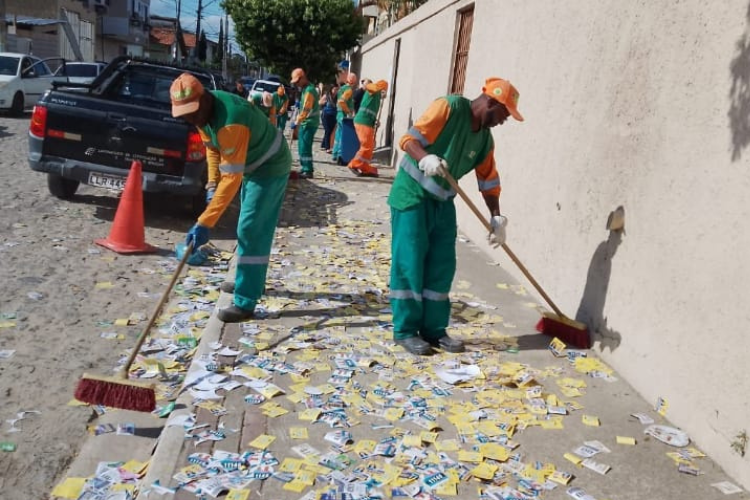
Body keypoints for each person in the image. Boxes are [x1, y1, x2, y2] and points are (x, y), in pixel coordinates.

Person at [387, 77, 523, 355]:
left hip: (442, 202)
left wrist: (496, 217)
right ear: (490, 102)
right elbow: (409, 139)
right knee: (409, 264)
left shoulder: (484, 140)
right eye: (503, 115)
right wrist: (425, 157)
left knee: (441, 266)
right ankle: (405, 330)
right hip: (411, 197)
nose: (502, 122)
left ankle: (434, 330)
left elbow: (488, 180)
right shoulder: (448, 107)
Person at [170, 72, 292, 323]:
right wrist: (211, 183)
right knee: (248, 227)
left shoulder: (230, 121)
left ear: (204, 99)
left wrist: (205, 222)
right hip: (252, 164)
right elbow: (212, 150)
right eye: (186, 115)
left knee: (251, 229)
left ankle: (245, 301)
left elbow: (232, 179)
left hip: (269, 166)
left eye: (193, 112)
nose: (192, 119)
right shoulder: (204, 116)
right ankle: (246, 283)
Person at [348, 79, 388, 177]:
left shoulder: (376, 97)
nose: (385, 93)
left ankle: (364, 167)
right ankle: (354, 164)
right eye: (385, 90)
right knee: (366, 146)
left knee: (370, 147)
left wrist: (375, 121)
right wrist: (378, 88)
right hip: (362, 121)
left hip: (367, 122)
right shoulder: (372, 90)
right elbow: (369, 86)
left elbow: (371, 111)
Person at [289, 68, 320, 179]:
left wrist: (296, 121)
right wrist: (298, 104)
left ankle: (308, 170)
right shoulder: (306, 89)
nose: (296, 84)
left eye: (297, 81)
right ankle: (305, 168)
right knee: (302, 146)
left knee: (305, 147)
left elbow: (306, 109)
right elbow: (304, 105)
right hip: (306, 122)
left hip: (309, 123)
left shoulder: (309, 91)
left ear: (302, 78)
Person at [332, 72, 356, 163]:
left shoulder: (342, 88)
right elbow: (342, 101)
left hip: (339, 114)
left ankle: (334, 154)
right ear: (354, 82)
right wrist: (348, 111)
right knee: (343, 135)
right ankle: (340, 156)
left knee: (338, 135)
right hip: (343, 115)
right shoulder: (349, 90)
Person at [319, 83, 339, 153]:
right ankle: (328, 147)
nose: (336, 91)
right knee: (328, 130)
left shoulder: (338, 97)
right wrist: (323, 102)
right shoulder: (327, 96)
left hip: (334, 116)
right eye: (334, 89)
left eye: (337, 89)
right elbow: (319, 103)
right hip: (326, 115)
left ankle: (323, 145)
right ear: (331, 89)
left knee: (329, 131)